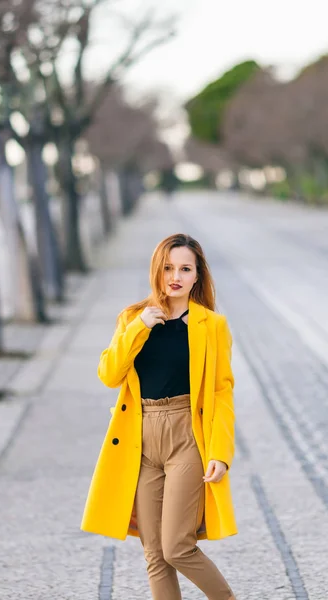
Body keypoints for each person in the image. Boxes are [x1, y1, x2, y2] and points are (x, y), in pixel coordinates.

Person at [81, 233, 238, 600]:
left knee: (177, 547)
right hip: (141, 439)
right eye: (168, 267)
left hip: (187, 435)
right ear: (157, 269)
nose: (176, 276)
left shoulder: (211, 325)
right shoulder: (133, 318)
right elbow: (109, 375)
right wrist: (140, 328)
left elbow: (221, 392)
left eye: (185, 268)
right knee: (154, 554)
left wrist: (220, 453)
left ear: (198, 275)